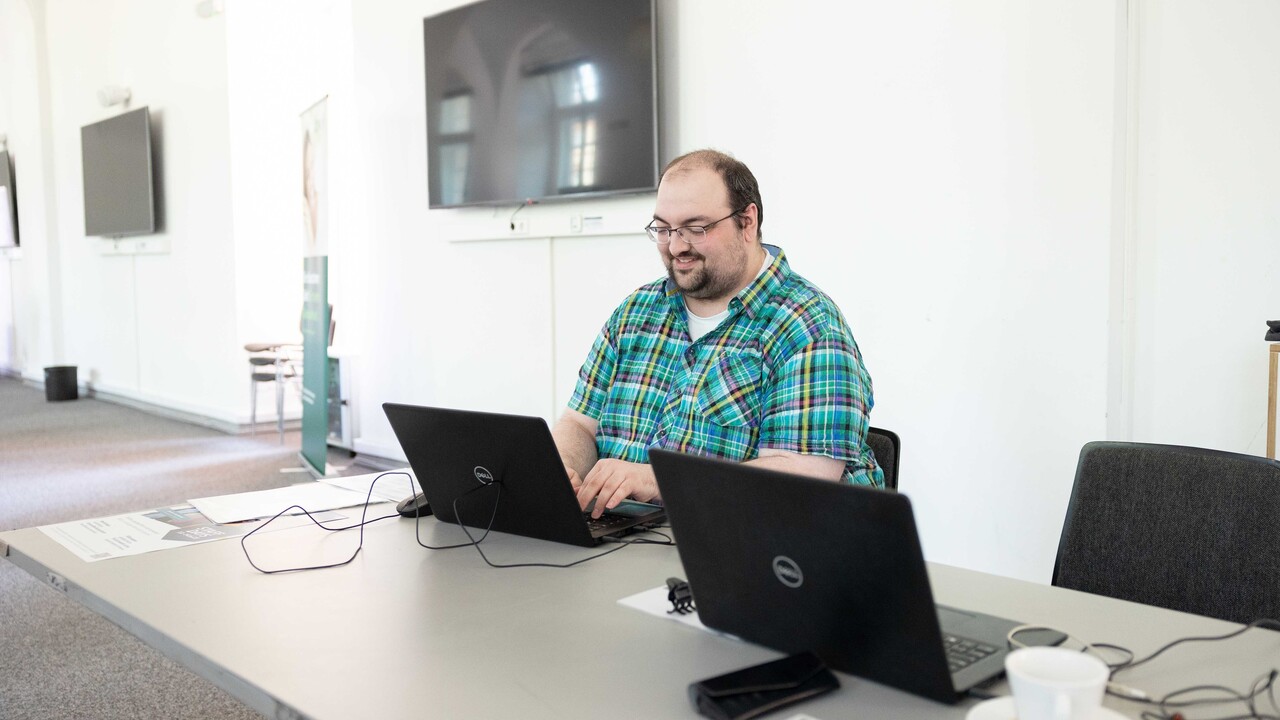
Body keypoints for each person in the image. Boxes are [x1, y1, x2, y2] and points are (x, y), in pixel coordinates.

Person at [552, 149, 883, 517]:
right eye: (663, 229)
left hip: (755, 552)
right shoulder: (636, 312)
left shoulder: (807, 325)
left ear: (748, 222)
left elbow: (800, 482)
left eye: (696, 229)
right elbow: (579, 423)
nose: (676, 246)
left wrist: (657, 481)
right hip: (626, 541)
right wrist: (563, 468)